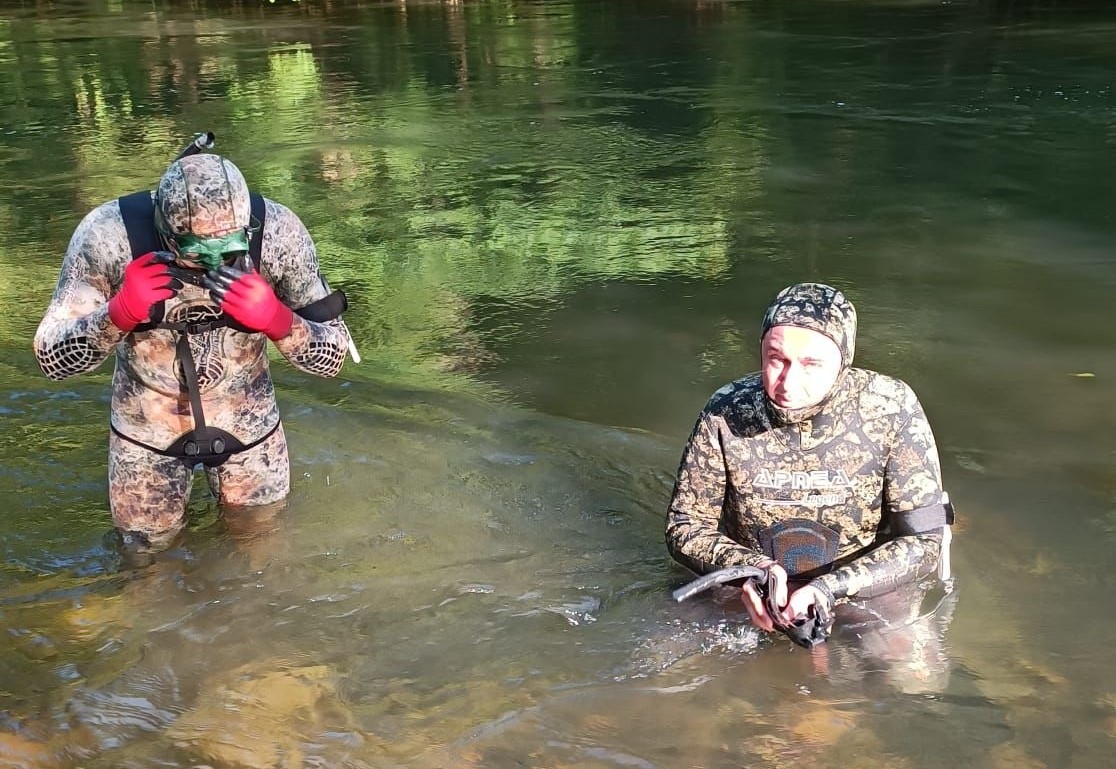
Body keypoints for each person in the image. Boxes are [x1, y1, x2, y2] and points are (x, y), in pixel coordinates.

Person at [33, 137, 352, 551]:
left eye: (230, 247)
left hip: (250, 424)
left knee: (264, 557)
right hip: (146, 432)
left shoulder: (277, 232)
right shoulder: (109, 236)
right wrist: (117, 314)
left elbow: (335, 357)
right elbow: (52, 360)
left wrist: (279, 320)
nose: (215, 264)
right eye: (196, 252)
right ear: (164, 231)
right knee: (145, 563)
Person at [666, 282, 953, 646]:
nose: (788, 381)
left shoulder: (891, 409)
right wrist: (752, 573)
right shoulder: (727, 411)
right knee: (662, 670)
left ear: (843, 363)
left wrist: (829, 588)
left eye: (811, 364)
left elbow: (923, 542)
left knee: (916, 685)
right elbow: (684, 526)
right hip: (748, 587)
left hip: (867, 588)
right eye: (776, 359)